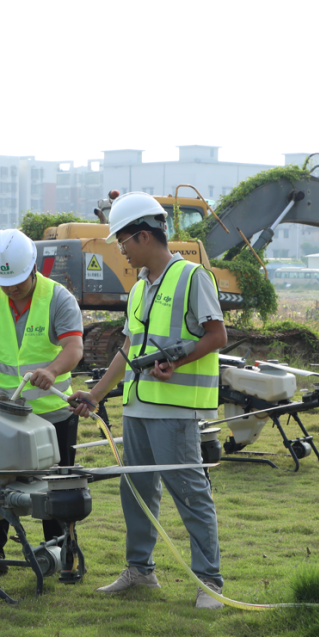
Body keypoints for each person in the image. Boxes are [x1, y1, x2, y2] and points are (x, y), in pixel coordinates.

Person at [71, 192, 227, 609]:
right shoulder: (140, 287)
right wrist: (95, 395)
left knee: (189, 492)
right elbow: (128, 349)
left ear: (143, 235)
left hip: (175, 409)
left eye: (122, 241)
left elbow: (217, 336)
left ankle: (209, 582)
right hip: (138, 408)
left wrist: (177, 362)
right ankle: (140, 570)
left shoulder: (193, 277)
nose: (120, 250)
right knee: (136, 491)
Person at [0, 228, 84, 574]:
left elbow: (74, 348)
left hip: (52, 415)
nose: (11, 289)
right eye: (4, 283)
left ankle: (61, 555)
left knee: (57, 489)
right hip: (1, 412)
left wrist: (52, 370)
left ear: (33, 268)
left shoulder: (59, 298)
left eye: (17, 282)